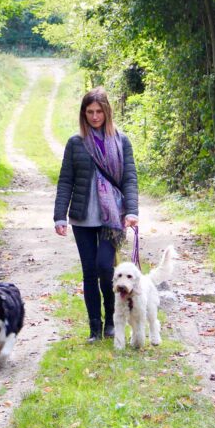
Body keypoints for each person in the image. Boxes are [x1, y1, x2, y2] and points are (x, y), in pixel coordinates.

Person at [54, 87, 139, 342]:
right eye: (89, 112)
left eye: (99, 111)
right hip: (82, 218)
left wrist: (132, 210)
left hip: (111, 219)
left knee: (105, 268)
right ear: (83, 114)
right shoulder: (75, 143)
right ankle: (95, 327)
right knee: (89, 271)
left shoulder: (121, 141)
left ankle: (112, 321)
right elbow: (65, 181)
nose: (94, 116)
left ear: (107, 112)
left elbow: (129, 179)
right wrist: (60, 216)